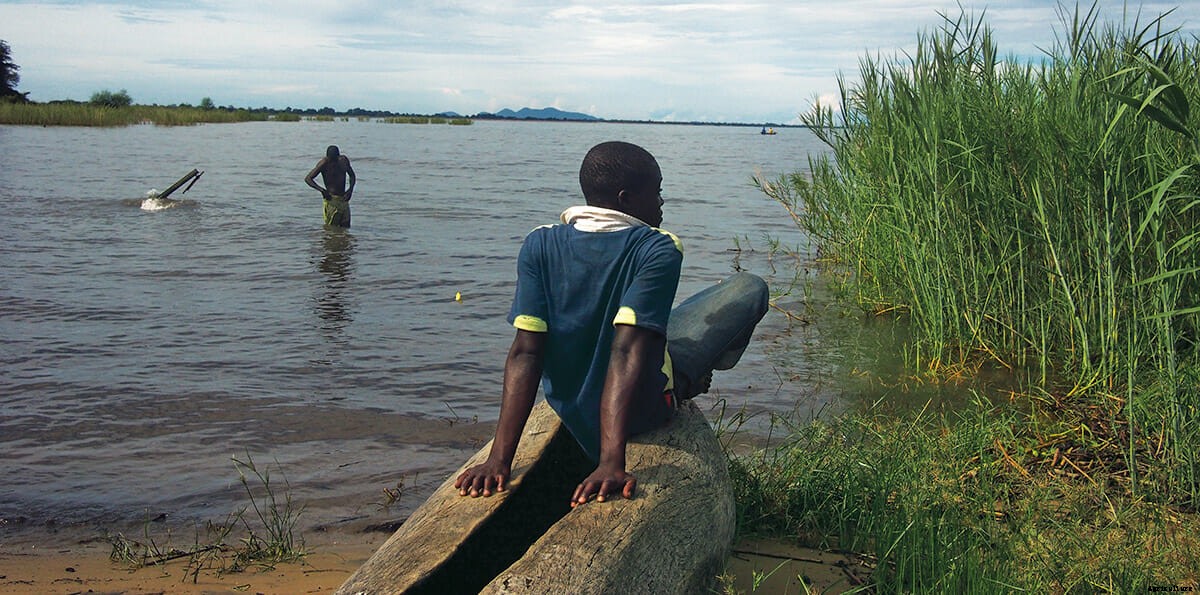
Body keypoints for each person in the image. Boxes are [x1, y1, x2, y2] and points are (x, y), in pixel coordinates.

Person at [455, 140, 768, 507]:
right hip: (644, 409)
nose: (663, 203)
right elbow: (625, 350)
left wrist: (499, 459)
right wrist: (611, 462)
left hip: (568, 404)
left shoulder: (538, 243)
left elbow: (525, 353)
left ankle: (677, 365)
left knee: (645, 320)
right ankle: (688, 381)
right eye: (658, 192)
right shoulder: (658, 247)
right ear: (626, 199)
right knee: (748, 287)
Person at [305, 145, 356, 228]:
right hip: (331, 200)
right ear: (327, 157)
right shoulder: (324, 163)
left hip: (343, 200)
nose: (333, 162)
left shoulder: (343, 161)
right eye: (331, 160)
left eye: (335, 160)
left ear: (338, 156)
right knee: (331, 227)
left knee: (346, 227)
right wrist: (322, 190)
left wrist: (350, 190)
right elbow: (308, 179)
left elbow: (352, 176)